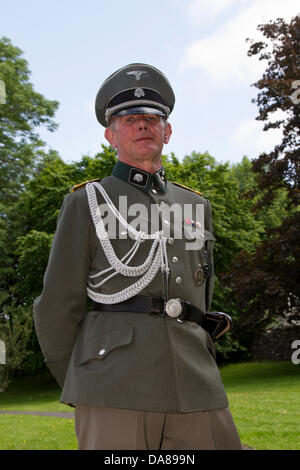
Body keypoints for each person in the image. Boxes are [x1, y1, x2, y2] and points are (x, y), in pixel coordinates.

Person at [33, 63, 242, 450]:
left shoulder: (196, 205)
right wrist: (81, 378)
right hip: (114, 384)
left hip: (195, 381)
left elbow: (201, 298)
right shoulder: (86, 202)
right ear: (111, 135)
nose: (143, 125)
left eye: (152, 118)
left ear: (168, 130)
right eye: (130, 119)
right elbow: (57, 306)